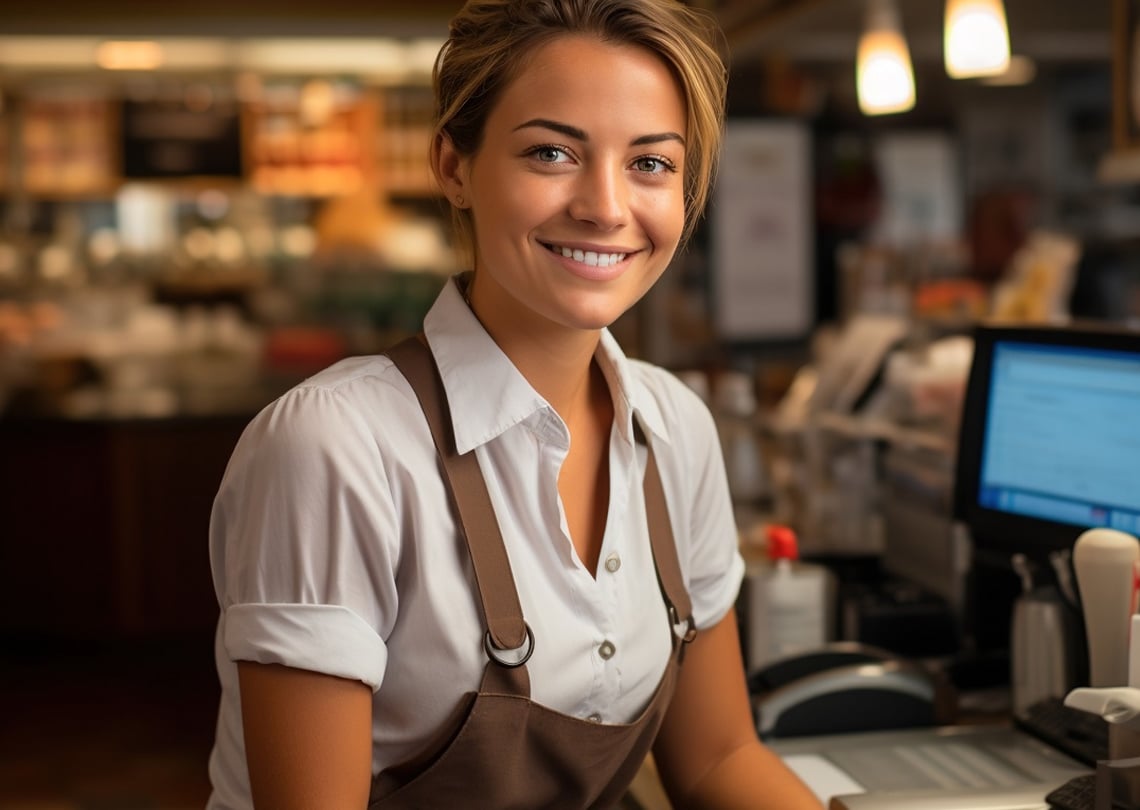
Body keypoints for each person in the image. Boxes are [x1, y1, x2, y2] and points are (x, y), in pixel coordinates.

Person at [206, 0, 824, 807]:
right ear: (454, 167)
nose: (605, 206)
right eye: (551, 152)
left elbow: (716, 761)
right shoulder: (335, 446)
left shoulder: (675, 429)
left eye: (651, 163)